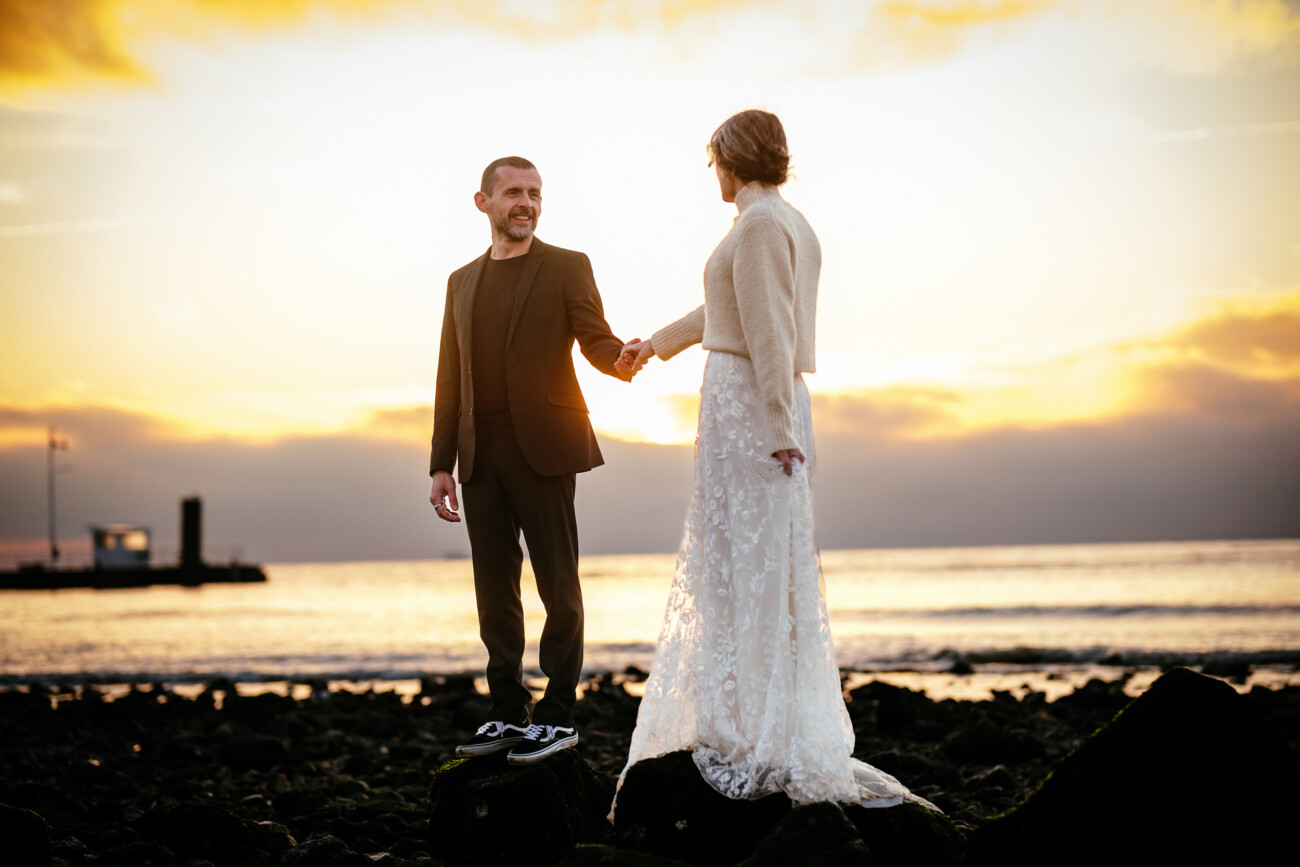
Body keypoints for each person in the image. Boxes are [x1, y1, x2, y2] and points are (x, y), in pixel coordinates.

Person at [614, 111, 934, 810]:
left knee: (746, 565)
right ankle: (754, 710)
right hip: (760, 400)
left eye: (714, 161)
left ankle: (752, 724)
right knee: (744, 561)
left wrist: (779, 426)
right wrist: (655, 345)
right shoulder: (782, 220)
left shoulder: (758, 225)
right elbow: (727, 307)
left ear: (732, 158)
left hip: (752, 404)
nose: (714, 176)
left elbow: (767, 327)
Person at [430, 156, 635, 765]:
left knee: (557, 584)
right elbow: (448, 376)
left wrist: (619, 358)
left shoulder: (568, 266)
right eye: (513, 192)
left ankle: (559, 714)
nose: (526, 202)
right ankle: (506, 711)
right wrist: (441, 463)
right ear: (483, 202)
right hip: (478, 454)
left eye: (535, 193)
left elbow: (593, 336)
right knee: (494, 590)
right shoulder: (460, 281)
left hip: (544, 447)